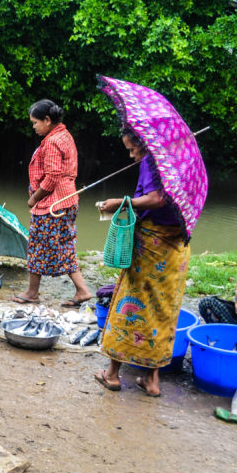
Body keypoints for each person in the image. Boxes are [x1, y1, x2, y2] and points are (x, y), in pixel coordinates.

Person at [94, 128, 190, 397]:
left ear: (144, 143)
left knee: (129, 300)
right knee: (163, 309)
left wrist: (122, 202)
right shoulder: (178, 163)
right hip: (177, 248)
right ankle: (152, 380)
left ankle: (113, 374)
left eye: (132, 148)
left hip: (152, 245)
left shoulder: (152, 160)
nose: (131, 154)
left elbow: (157, 198)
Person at [12, 99, 92, 307]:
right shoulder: (64, 135)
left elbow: (53, 176)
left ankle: (32, 293)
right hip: (68, 200)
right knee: (64, 245)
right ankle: (82, 290)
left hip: (53, 203)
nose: (34, 127)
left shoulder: (52, 141)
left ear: (47, 120)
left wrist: (34, 198)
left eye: (35, 122)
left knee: (37, 246)